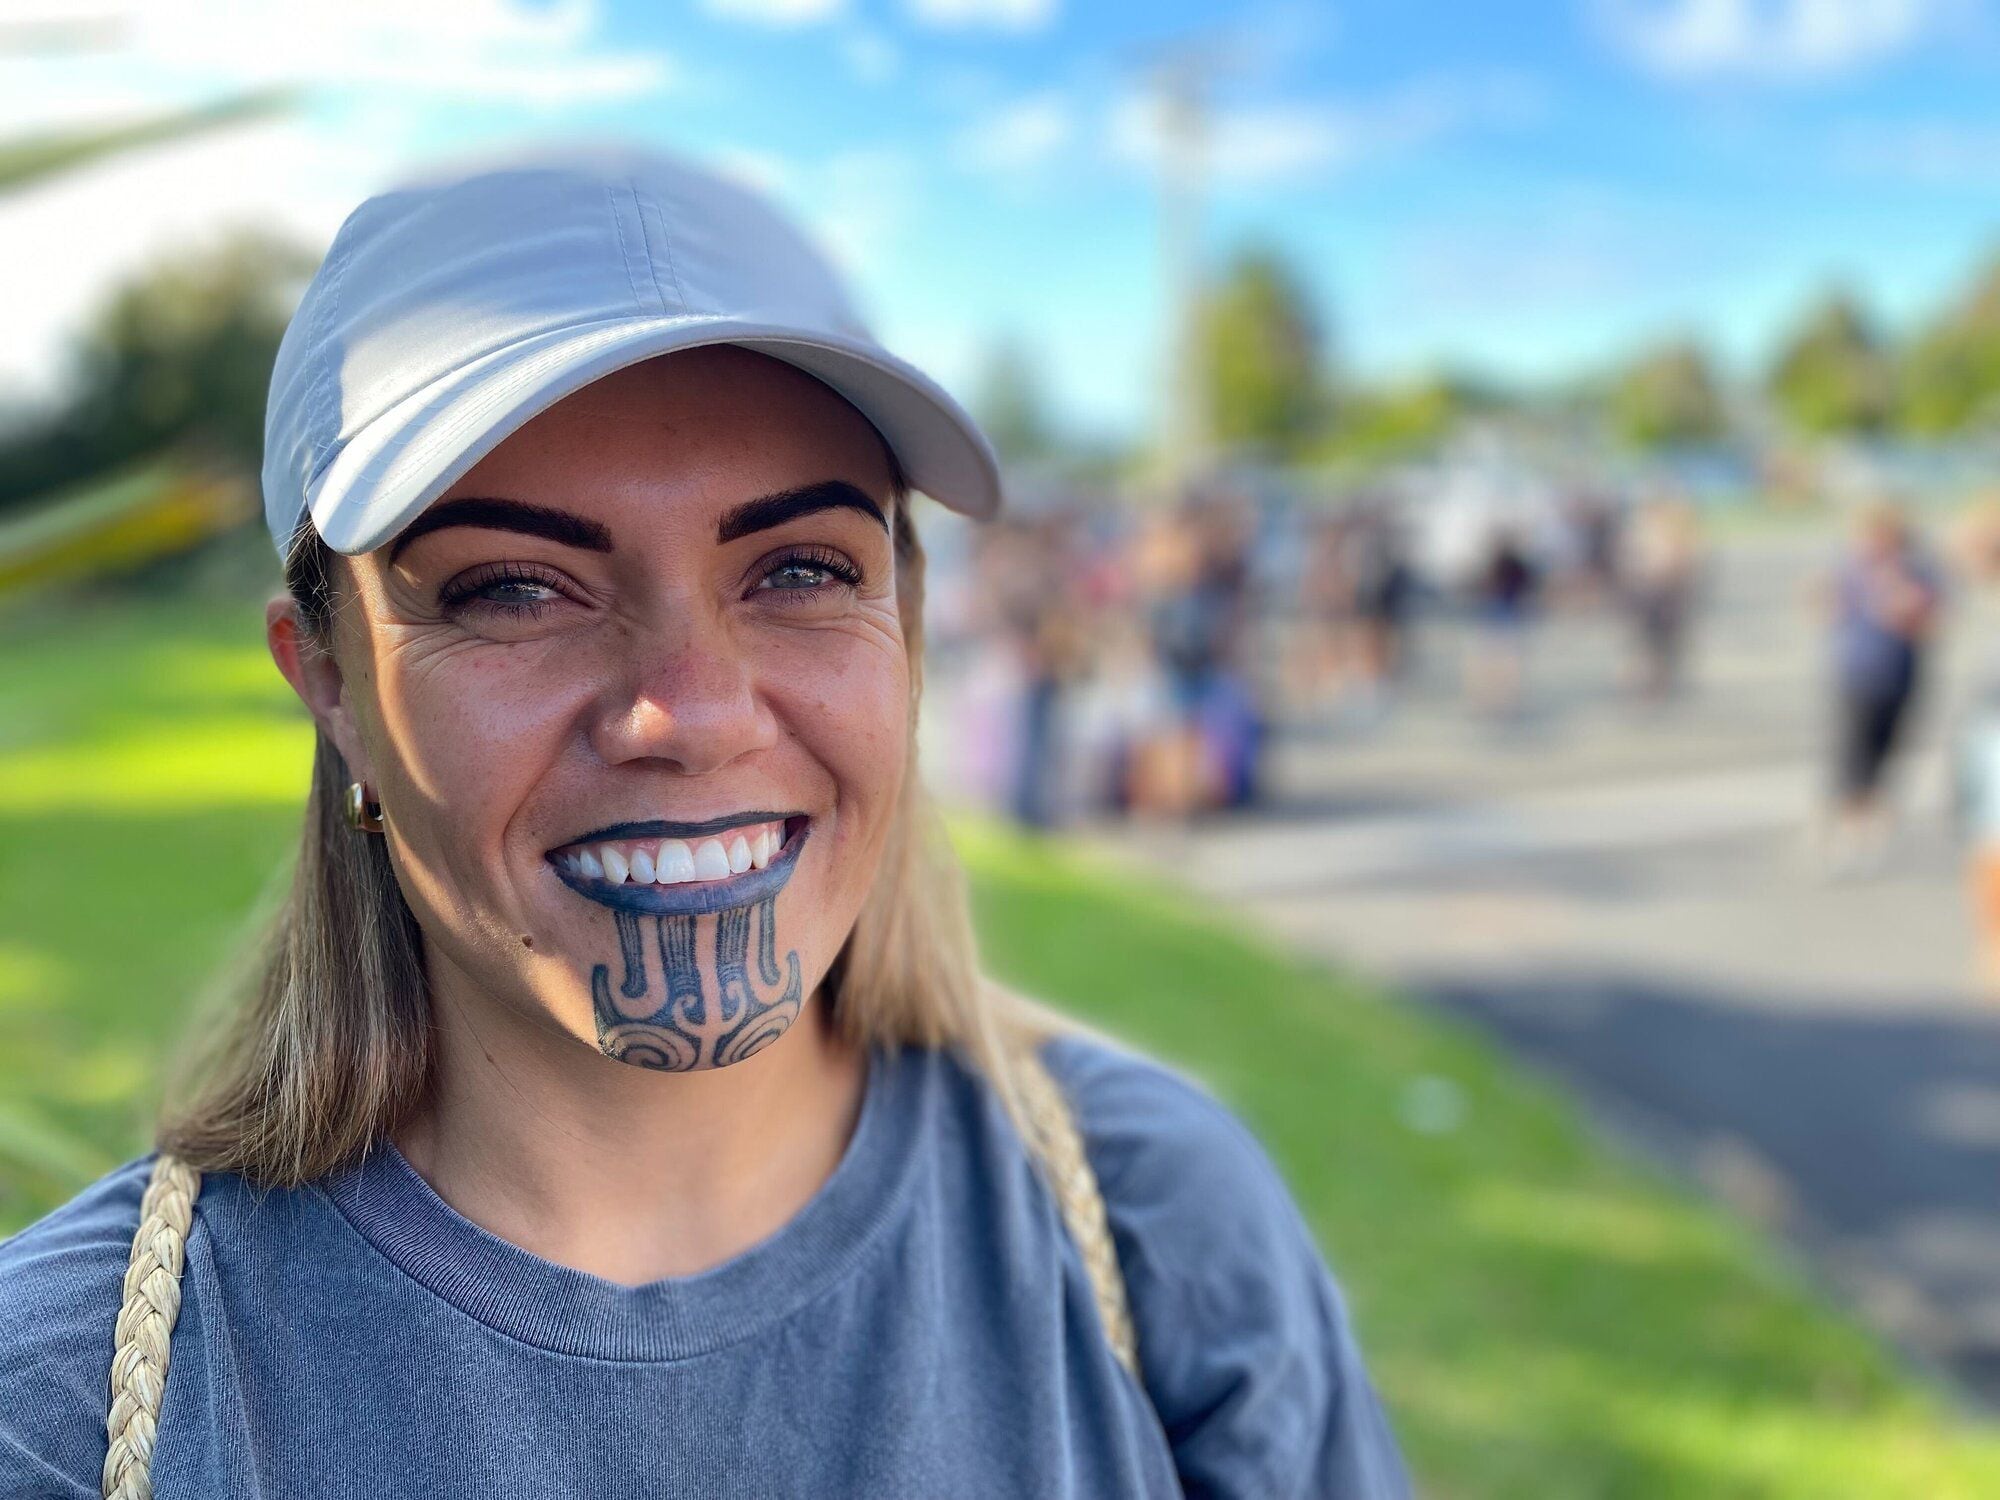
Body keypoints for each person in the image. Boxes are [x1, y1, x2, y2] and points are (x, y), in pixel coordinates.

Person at [0, 144, 1410, 1498]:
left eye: (800, 567)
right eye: (512, 587)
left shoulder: (1160, 1227)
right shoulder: (67, 1410)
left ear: (907, 627)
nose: (690, 708)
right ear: (331, 684)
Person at [1819, 501, 1944, 875]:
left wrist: (1905, 604)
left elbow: (1931, 622)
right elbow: (1825, 608)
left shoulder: (1916, 571)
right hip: (1858, 672)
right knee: (1853, 755)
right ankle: (1848, 828)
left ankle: (1872, 825)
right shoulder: (1851, 568)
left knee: (1887, 752)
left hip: (1900, 673)